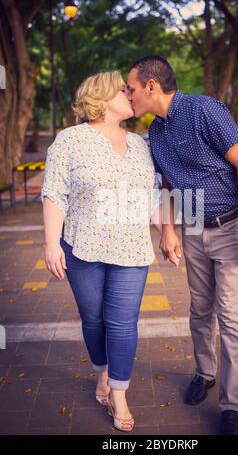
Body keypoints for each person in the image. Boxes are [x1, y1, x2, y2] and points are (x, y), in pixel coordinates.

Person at [127, 56, 238, 435]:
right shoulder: (156, 130)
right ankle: (205, 373)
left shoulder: (203, 109)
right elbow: (167, 185)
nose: (129, 94)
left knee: (232, 316)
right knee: (200, 309)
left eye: (131, 87)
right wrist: (167, 231)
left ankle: (232, 406)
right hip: (192, 229)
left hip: (233, 225)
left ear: (151, 86)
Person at [41, 70, 161, 432]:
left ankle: (119, 394)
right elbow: (54, 192)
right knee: (94, 320)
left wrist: (168, 233)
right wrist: (50, 242)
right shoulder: (70, 140)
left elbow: (153, 195)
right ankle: (103, 373)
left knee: (123, 323)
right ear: (101, 97)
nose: (130, 93)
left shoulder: (142, 144)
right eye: (123, 89)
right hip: (82, 248)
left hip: (131, 250)